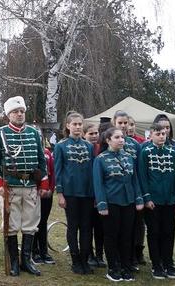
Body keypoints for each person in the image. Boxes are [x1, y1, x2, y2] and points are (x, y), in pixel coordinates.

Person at [0, 96, 49, 277]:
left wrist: (44, 181)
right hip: (11, 186)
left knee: (31, 223)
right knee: (12, 225)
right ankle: (14, 262)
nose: (20, 114)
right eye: (16, 112)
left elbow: (41, 159)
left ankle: (27, 260)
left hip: (31, 185)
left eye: (22, 111)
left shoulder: (33, 132)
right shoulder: (0, 133)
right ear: (9, 115)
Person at [93, 127, 144, 282]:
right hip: (111, 202)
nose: (121, 140)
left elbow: (134, 180)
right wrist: (102, 204)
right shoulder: (100, 159)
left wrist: (139, 199)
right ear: (108, 140)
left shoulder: (129, 157)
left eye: (122, 137)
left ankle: (126, 267)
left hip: (128, 201)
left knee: (127, 236)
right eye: (117, 137)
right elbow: (98, 184)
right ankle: (113, 268)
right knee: (111, 236)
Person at [137, 123, 175, 280]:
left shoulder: (173, 152)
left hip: (169, 200)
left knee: (168, 232)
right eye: (158, 133)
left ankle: (168, 263)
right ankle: (156, 265)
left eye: (164, 133)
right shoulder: (145, 152)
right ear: (151, 135)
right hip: (153, 201)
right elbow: (142, 176)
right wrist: (147, 198)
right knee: (154, 232)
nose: (162, 136)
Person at [54, 112, 95, 275]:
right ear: (68, 126)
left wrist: (95, 194)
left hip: (87, 193)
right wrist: (60, 194)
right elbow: (58, 170)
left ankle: (85, 259)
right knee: (73, 226)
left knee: (86, 227)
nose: (78, 127)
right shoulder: (61, 146)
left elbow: (93, 171)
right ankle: (75, 260)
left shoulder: (89, 146)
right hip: (70, 193)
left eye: (80, 124)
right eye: (75, 124)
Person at [113, 111, 146, 269]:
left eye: (126, 123)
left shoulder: (135, 145)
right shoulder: (109, 143)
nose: (124, 126)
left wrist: (140, 194)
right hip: (115, 192)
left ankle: (132, 257)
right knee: (117, 227)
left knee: (133, 226)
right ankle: (117, 258)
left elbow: (139, 171)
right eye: (120, 123)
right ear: (114, 123)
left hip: (133, 191)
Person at [83, 122, 106, 269]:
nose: (94, 136)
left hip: (100, 193)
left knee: (100, 226)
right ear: (85, 135)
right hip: (86, 193)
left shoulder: (101, 149)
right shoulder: (83, 149)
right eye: (90, 133)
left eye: (96, 133)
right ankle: (89, 254)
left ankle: (99, 254)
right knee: (87, 225)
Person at [31, 137, 55, 266]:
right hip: (33, 192)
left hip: (46, 193)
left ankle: (44, 251)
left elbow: (52, 171)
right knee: (34, 222)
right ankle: (34, 251)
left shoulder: (47, 153)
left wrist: (50, 188)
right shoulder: (28, 152)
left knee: (43, 221)